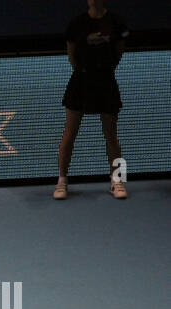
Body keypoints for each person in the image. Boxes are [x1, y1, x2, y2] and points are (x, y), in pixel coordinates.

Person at [55, 2, 128, 200]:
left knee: (112, 135)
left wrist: (104, 69)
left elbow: (119, 51)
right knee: (69, 132)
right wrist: (84, 70)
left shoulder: (117, 23)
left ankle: (117, 181)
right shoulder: (76, 23)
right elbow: (71, 55)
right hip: (81, 81)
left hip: (106, 81)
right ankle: (62, 181)